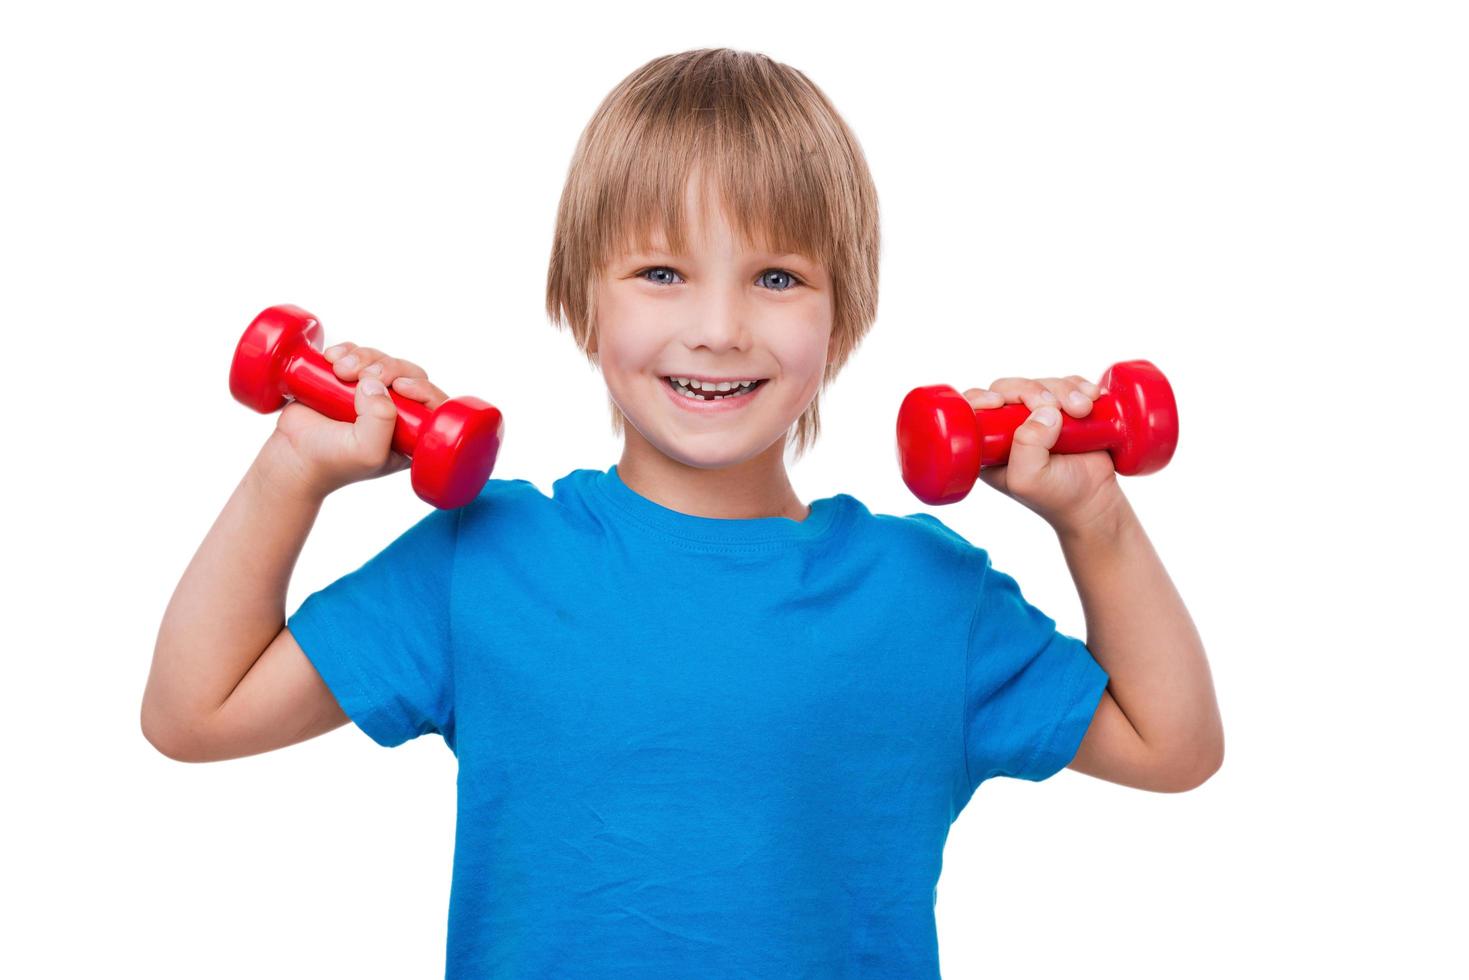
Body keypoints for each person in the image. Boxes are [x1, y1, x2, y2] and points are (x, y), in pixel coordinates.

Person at [143, 47, 1223, 979]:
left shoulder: (919, 591)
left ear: (840, 319)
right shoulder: (486, 560)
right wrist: (296, 464)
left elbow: (1172, 744)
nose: (715, 326)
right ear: (578, 298)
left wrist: (1094, 518)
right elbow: (194, 712)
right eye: (661, 270)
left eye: (775, 276)